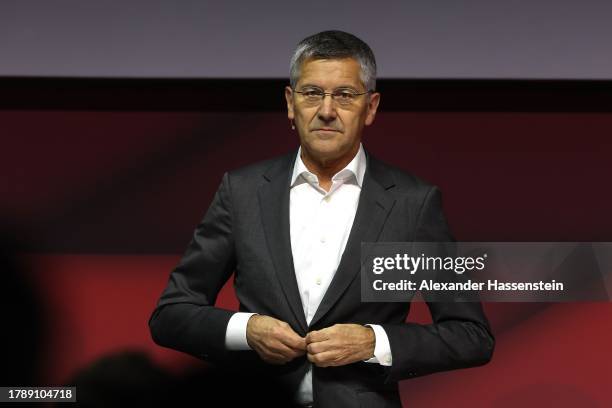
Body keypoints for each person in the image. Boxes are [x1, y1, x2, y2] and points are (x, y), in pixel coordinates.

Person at [149, 30, 494, 408]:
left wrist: (373, 342)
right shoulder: (242, 191)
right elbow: (172, 314)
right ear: (290, 103)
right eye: (312, 93)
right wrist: (247, 330)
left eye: (344, 95)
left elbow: (469, 335)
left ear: (371, 107)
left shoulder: (413, 202)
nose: (327, 110)